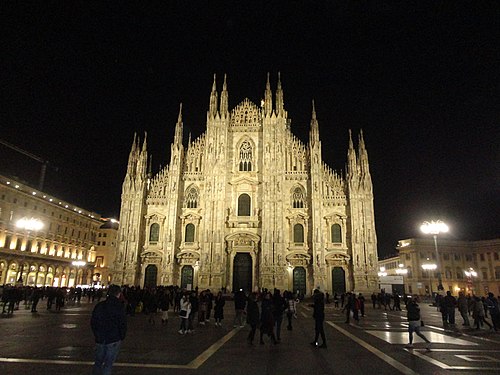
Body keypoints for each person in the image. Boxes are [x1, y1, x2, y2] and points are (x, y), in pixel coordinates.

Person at [91, 285, 127, 375]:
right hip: (113, 338)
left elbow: (93, 322)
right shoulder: (119, 306)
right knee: (108, 364)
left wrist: (96, 334)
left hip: (100, 338)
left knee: (98, 362)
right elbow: (122, 323)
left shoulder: (100, 305)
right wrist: (121, 336)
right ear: (118, 294)